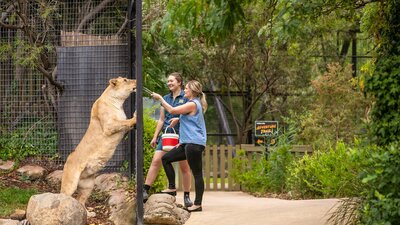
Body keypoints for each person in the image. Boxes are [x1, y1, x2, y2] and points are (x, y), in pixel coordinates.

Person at [151, 80, 207, 212]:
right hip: (186, 143)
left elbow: (172, 110)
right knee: (165, 159)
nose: (184, 90)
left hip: (194, 144)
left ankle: (197, 204)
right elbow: (189, 119)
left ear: (192, 91)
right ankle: (172, 187)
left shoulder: (193, 104)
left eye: (186, 89)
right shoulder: (191, 104)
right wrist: (179, 119)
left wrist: (160, 99)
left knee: (197, 174)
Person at [143, 72, 193, 208]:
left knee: (184, 167)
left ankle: (187, 196)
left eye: (171, 81)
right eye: (168, 81)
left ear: (179, 82)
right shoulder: (165, 98)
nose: (169, 83)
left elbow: (189, 115)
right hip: (165, 136)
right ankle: (145, 190)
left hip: (181, 136)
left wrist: (179, 118)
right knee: (156, 161)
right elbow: (161, 119)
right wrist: (155, 136)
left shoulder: (187, 97)